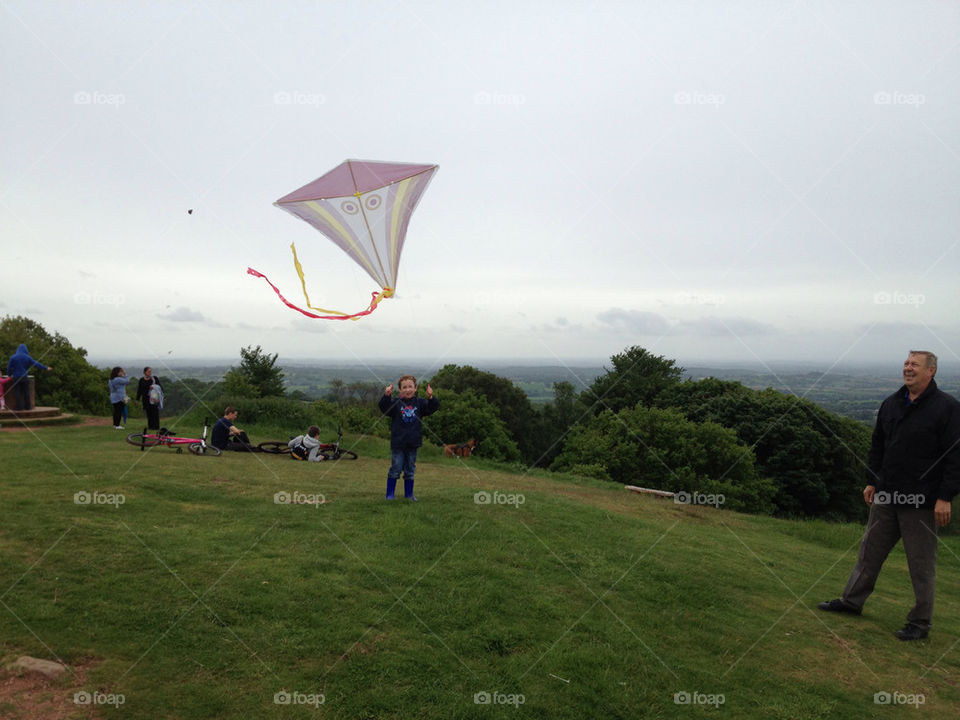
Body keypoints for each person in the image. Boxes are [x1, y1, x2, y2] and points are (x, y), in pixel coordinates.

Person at [818, 350, 960, 641]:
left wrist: (945, 497)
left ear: (930, 371)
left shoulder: (947, 408)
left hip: (921, 501)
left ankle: (920, 623)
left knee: (921, 564)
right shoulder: (891, 403)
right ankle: (851, 601)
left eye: (915, 365)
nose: (908, 368)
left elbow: (955, 456)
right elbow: (878, 445)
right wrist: (872, 481)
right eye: (906, 363)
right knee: (869, 553)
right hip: (886, 495)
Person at [378, 375, 438, 500]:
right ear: (400, 390)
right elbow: (384, 408)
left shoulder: (420, 403)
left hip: (413, 443)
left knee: (410, 470)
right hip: (398, 443)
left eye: (410, 386)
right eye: (404, 387)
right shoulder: (395, 403)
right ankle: (390, 494)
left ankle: (409, 495)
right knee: (396, 468)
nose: (407, 389)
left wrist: (431, 397)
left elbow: (432, 408)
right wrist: (386, 395)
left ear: (415, 388)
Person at [6, 343, 52, 411]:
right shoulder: (27, 357)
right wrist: (45, 368)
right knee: (26, 392)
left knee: (17, 392)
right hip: (24, 377)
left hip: (16, 377)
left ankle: (19, 407)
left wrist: (9, 375)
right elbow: (36, 364)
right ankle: (28, 407)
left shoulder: (13, 357)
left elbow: (9, 367)